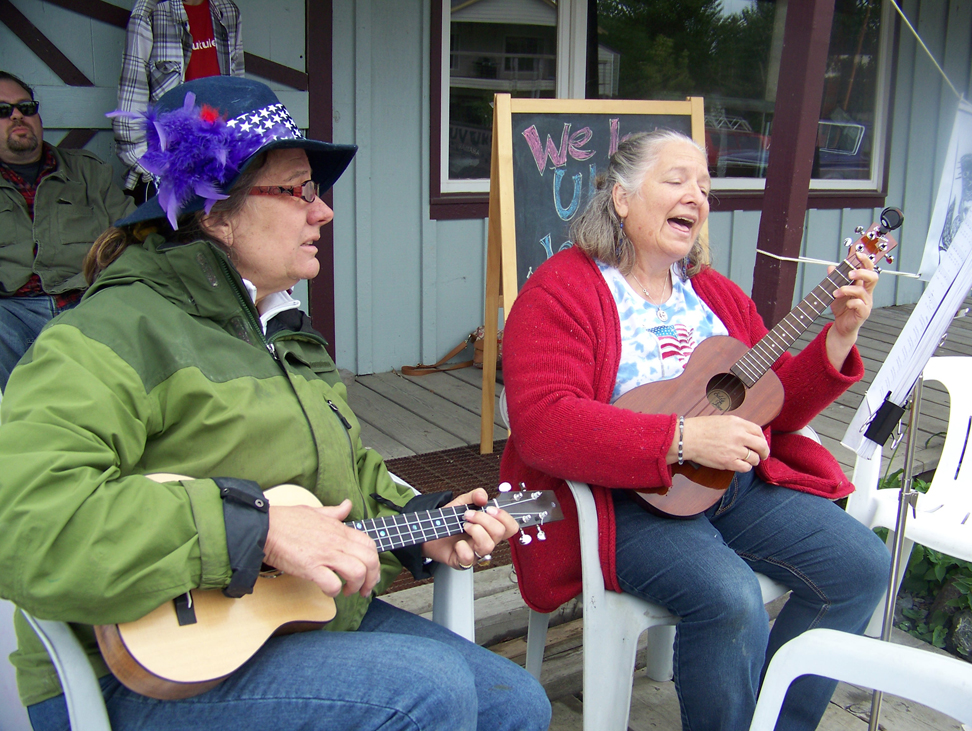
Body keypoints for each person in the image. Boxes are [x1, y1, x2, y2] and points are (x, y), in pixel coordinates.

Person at [0, 76, 551, 731]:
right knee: (426, 691)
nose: (323, 213)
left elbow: (338, 482)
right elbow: (27, 518)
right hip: (130, 672)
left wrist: (422, 521)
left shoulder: (281, 327)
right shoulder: (113, 331)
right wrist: (253, 528)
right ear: (215, 212)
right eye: (298, 190)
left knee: (516, 704)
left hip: (289, 616)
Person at [499, 130, 890, 731]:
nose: (697, 197)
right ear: (622, 198)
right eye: (678, 180)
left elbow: (775, 407)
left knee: (860, 565)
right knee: (729, 599)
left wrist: (838, 338)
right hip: (621, 501)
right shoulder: (562, 290)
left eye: (705, 187)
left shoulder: (715, 294)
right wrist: (679, 439)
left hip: (726, 485)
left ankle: (776, 719)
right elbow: (543, 424)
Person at [0, 70, 135, 391]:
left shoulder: (88, 171)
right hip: (12, 311)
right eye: (3, 111)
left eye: (26, 107)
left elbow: (134, 235)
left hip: (88, 301)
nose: (18, 116)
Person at [114, 0, 244, 201]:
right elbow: (130, 114)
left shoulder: (227, 11)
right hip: (168, 174)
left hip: (217, 169)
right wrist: (157, 173)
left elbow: (239, 94)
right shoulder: (149, 12)